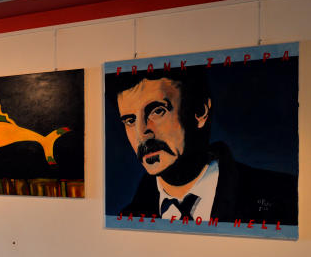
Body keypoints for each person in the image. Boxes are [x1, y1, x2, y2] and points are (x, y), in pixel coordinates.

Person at [109, 68, 297, 225]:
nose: (141, 134)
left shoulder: (282, 196)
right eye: (130, 121)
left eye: (158, 111)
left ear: (199, 112)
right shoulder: (127, 218)